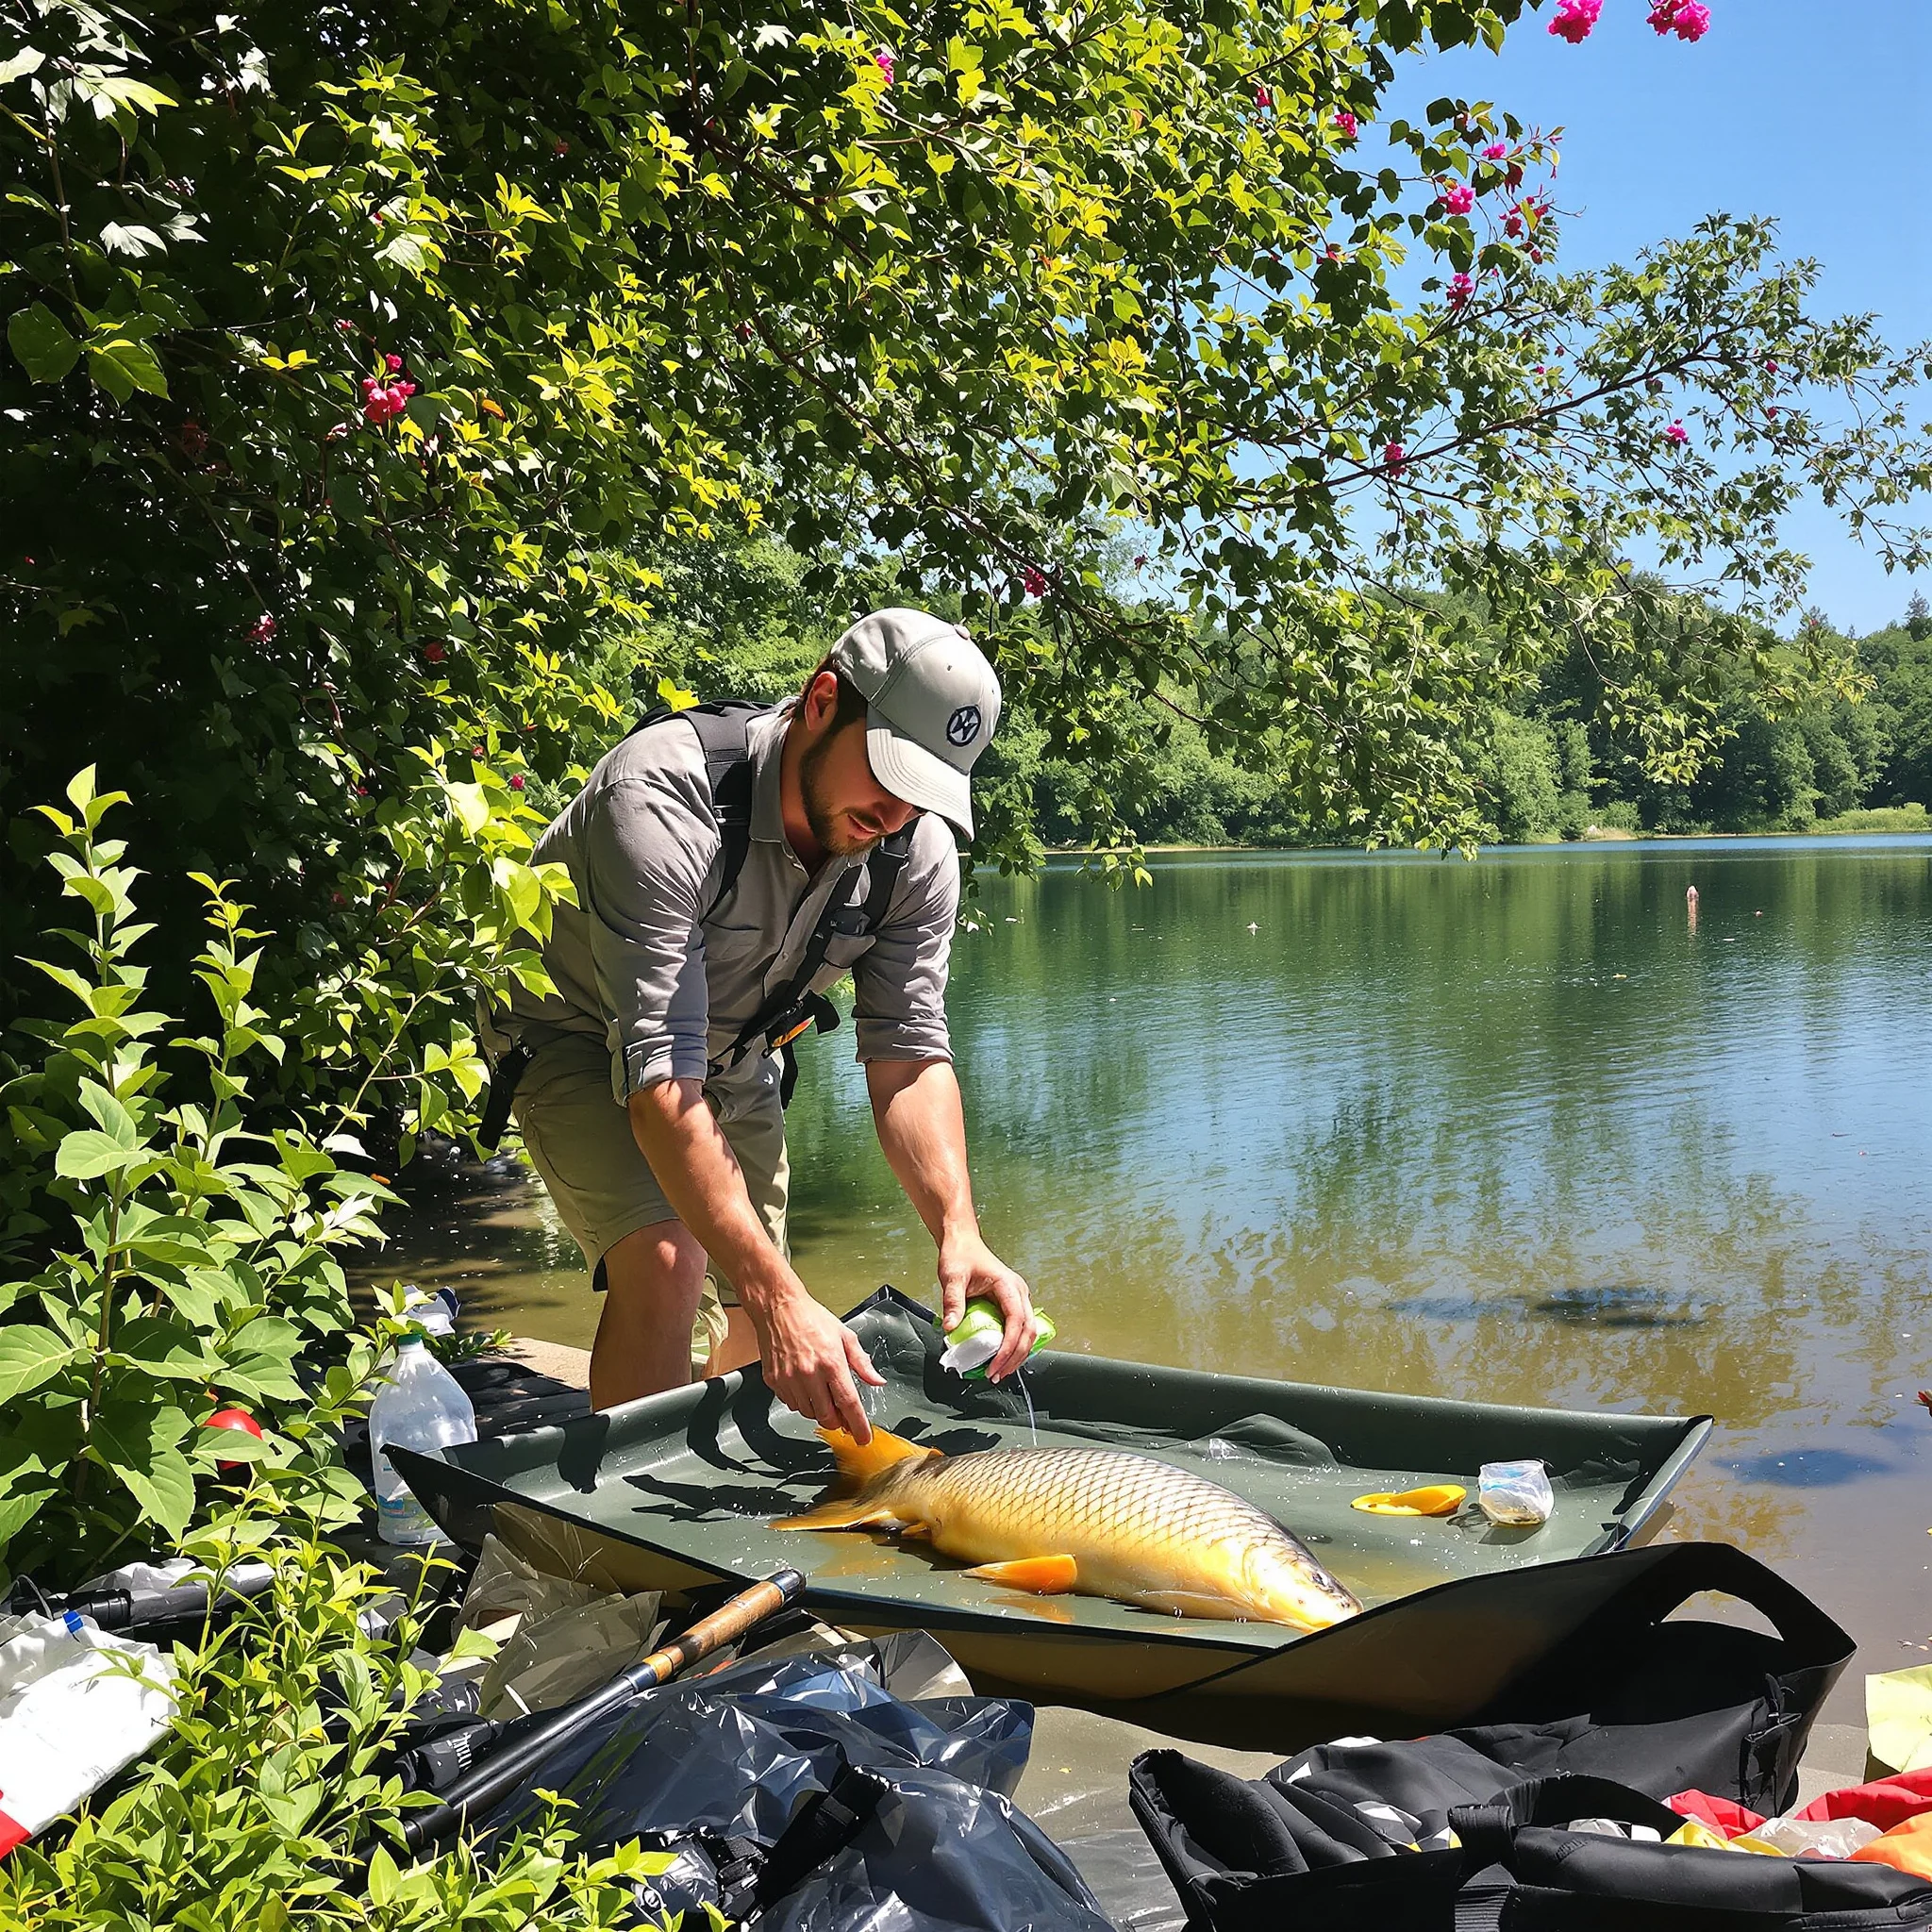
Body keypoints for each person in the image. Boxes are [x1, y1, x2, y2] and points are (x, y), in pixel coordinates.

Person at [482, 608, 1036, 1439]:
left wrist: (961, 1230)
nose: (893, 815)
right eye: (887, 775)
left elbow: (910, 1054)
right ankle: (622, 1550)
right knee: (670, 1262)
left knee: (757, 1301)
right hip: (575, 1027)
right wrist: (784, 1299)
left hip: (735, 1050)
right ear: (820, 702)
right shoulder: (666, 795)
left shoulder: (913, 851)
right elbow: (659, 1077)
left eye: (922, 795)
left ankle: (718, 1505)